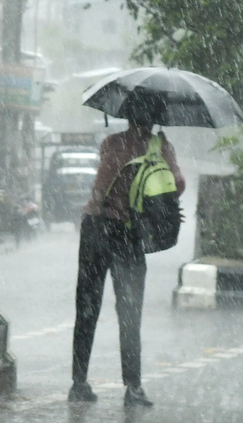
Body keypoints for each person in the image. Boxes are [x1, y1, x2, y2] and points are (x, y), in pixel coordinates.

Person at [72, 96, 181, 407]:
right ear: (156, 117)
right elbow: (177, 185)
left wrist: (103, 205)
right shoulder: (162, 148)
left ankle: (79, 382)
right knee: (130, 312)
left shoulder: (111, 142)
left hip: (96, 229)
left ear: (127, 115)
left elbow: (101, 186)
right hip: (130, 235)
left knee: (87, 307)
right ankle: (133, 387)